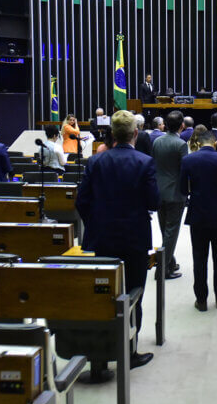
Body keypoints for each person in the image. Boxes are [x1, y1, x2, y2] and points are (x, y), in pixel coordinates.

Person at [76, 110, 158, 369]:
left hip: (101, 240)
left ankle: (99, 357)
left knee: (103, 296)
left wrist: (96, 224)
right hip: (134, 240)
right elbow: (154, 202)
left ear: (111, 134)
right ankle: (129, 352)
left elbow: (82, 201)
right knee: (134, 295)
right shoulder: (144, 162)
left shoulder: (95, 162)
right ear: (135, 133)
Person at [180, 129, 217, 311]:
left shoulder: (188, 160)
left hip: (198, 214)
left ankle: (202, 300)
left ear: (198, 143)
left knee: (199, 258)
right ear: (215, 143)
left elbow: (183, 190)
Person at [152, 110, 188, 280]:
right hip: (175, 194)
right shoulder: (181, 144)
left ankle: (170, 263)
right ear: (182, 125)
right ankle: (162, 269)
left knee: (165, 230)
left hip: (159, 192)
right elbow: (184, 170)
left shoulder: (157, 142)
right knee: (171, 233)